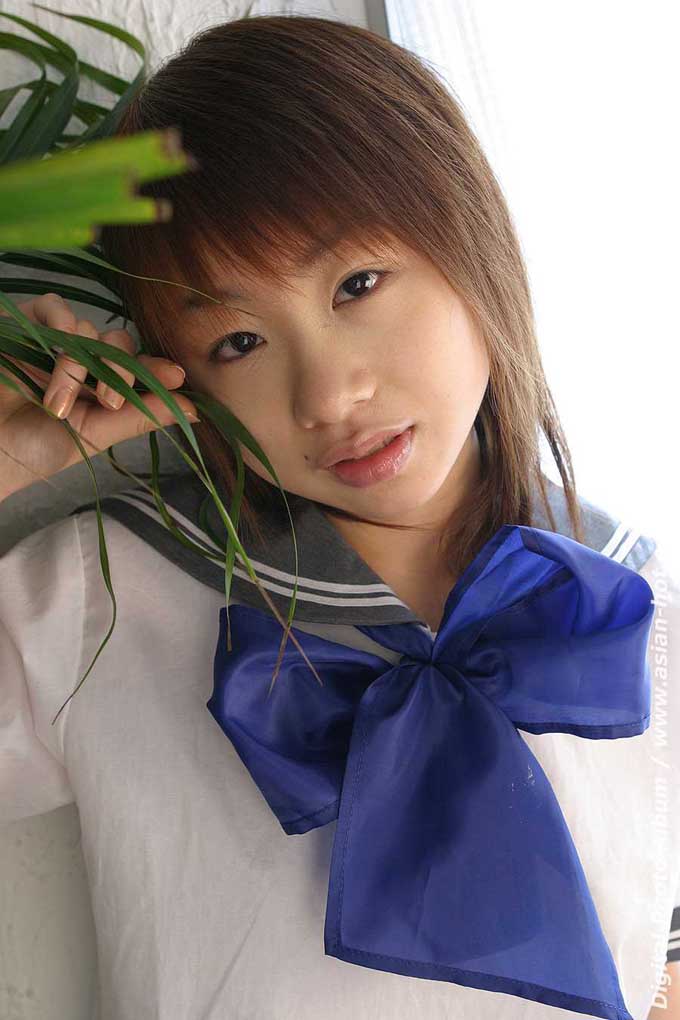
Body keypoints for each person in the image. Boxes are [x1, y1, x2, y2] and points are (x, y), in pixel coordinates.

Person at [1, 14, 678, 1020]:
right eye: (237, 342)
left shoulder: (631, 609)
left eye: (357, 284)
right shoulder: (98, 595)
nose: (327, 393)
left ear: (471, 234)